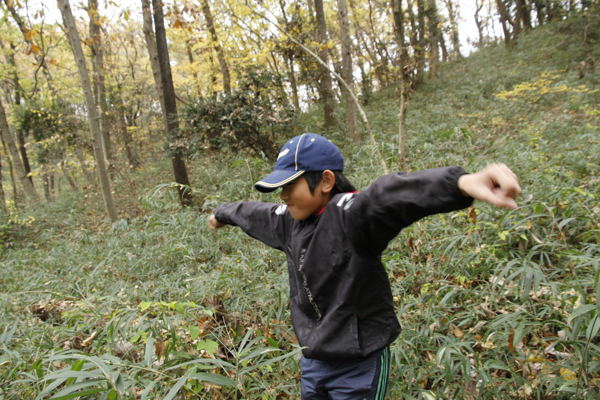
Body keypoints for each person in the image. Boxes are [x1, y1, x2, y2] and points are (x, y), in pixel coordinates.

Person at [208, 132, 520, 399]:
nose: (284, 194)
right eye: (281, 187)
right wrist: (221, 215)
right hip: (314, 360)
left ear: (326, 180)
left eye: (291, 184)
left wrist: (461, 183)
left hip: (358, 364)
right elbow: (251, 212)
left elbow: (387, 197)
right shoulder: (289, 222)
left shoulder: (350, 216)